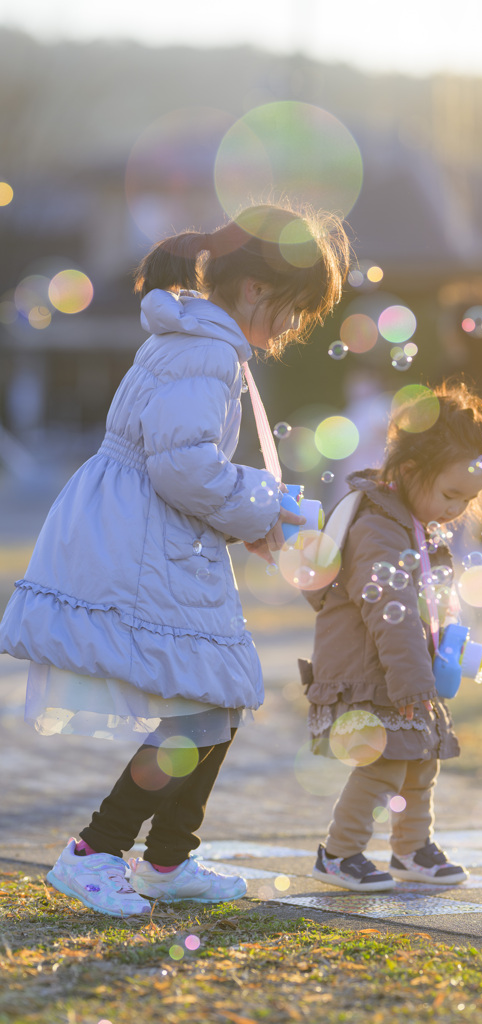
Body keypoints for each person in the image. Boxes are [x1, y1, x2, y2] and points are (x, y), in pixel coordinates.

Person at [0, 201, 351, 916]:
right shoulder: (208, 350)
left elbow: (183, 468)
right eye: (294, 309)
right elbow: (183, 468)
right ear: (254, 290)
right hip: (141, 542)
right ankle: (99, 850)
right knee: (205, 705)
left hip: (152, 533)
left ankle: (168, 858)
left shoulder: (200, 338)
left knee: (221, 694)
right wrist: (264, 502)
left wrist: (249, 515)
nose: (293, 328)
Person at [300, 381, 482, 891]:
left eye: (468, 500)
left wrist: (451, 650)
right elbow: (391, 613)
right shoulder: (378, 527)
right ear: (412, 471)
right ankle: (339, 853)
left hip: (402, 670)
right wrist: (414, 679)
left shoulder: (412, 524)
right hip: (377, 674)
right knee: (383, 764)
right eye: (450, 494)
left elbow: (426, 605)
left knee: (421, 762)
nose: (456, 510)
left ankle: (411, 849)